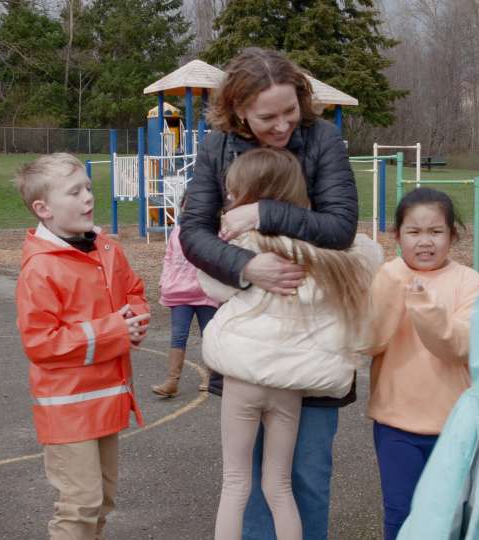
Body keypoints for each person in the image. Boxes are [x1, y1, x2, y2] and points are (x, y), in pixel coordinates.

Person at [179, 47, 359, 539]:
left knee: (304, 478)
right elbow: (193, 232)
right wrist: (247, 265)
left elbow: (341, 228)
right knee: (254, 482)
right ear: (239, 109)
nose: (282, 126)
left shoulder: (323, 140)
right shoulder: (216, 148)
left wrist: (262, 215)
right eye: (267, 117)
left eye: (289, 112)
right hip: (252, 349)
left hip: (312, 345)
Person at [199, 148, 383, 540]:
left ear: (251, 196)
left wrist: (232, 248)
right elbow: (370, 253)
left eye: (234, 195)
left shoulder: (246, 244)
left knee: (235, 485)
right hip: (291, 387)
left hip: (244, 379)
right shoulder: (327, 253)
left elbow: (210, 284)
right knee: (280, 488)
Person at [13, 153, 150, 540]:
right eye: (74, 192)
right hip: (68, 408)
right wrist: (115, 331)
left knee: (101, 502)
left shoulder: (106, 249)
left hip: (106, 399)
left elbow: (134, 291)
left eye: (88, 187)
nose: (87, 197)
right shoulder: (40, 268)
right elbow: (41, 343)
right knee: (80, 505)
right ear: (44, 209)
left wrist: (136, 320)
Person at [367, 188, 479, 539]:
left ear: (452, 235)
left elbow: (458, 345)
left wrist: (423, 307)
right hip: (395, 424)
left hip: (454, 425)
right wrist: (393, 285)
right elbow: (370, 341)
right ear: (397, 236)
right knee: (401, 513)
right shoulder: (387, 276)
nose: (425, 242)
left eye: (436, 232)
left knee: (448, 517)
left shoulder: (469, 281)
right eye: (414, 232)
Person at [151, 197, 219, 397]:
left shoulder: (213, 233)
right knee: (178, 335)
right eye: (186, 204)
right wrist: (164, 280)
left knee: (209, 335)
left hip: (205, 293)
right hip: (179, 292)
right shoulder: (177, 232)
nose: (189, 208)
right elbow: (169, 258)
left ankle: (211, 377)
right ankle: (172, 381)